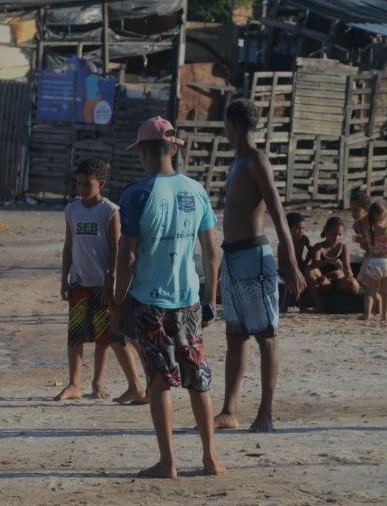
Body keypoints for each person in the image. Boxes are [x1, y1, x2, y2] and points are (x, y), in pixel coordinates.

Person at [110, 116, 225, 478]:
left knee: (160, 380)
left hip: (151, 301)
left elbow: (127, 255)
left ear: (143, 151)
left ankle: (168, 461)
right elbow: (211, 252)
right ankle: (210, 458)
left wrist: (117, 301)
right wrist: (211, 299)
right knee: (197, 378)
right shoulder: (196, 190)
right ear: (173, 148)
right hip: (189, 298)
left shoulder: (136, 195)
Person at [214, 98, 306, 433]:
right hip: (234, 257)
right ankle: (229, 410)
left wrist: (293, 264)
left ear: (233, 126)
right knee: (235, 336)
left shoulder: (256, 161)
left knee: (266, 336)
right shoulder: (237, 162)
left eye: (225, 125)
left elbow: (279, 215)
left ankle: (265, 413)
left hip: (255, 256)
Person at [56, 159, 147, 404]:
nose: (83, 188)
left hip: (102, 285)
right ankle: (74, 384)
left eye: (88, 184)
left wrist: (111, 282)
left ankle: (97, 382)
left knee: (103, 337)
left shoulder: (110, 211)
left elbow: (117, 249)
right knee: (75, 334)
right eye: (79, 183)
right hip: (78, 282)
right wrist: (64, 279)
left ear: (101, 184)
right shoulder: (71, 210)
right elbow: (68, 247)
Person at [358, 200, 387, 321]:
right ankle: (385, 315)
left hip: (373, 263)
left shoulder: (369, 230)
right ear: (385, 215)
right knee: (385, 292)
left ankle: (367, 314)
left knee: (370, 292)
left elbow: (366, 245)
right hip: (386, 263)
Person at [306, 217, 360, 313]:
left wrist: (342, 267)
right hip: (325, 282)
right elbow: (314, 266)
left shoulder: (343, 247)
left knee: (354, 283)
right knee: (310, 271)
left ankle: (350, 303)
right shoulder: (319, 247)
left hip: (339, 283)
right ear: (326, 232)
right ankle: (318, 302)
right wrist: (328, 262)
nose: (336, 238)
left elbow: (348, 271)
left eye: (339, 235)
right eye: (333, 234)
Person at [279, 212, 311, 312]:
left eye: (303, 228)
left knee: (303, 276)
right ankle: (284, 305)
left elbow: (312, 250)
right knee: (290, 279)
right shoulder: (283, 242)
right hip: (285, 267)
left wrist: (306, 261)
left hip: (299, 266)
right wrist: (291, 270)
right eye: (297, 228)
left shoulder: (304, 239)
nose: (301, 231)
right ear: (288, 228)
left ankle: (301, 305)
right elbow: (281, 262)